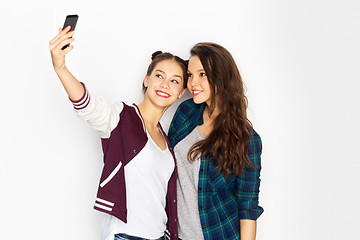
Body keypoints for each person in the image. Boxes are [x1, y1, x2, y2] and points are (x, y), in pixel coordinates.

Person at [49, 26, 187, 240]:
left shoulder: (166, 140)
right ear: (146, 79)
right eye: (159, 76)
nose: (165, 84)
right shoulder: (121, 117)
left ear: (181, 93)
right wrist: (61, 67)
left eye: (175, 81)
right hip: (125, 235)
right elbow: (88, 105)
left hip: (160, 236)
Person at [168, 42, 263, 240]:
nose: (193, 83)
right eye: (190, 75)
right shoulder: (185, 112)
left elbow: (248, 207)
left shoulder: (247, 139)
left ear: (222, 77)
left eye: (202, 74)